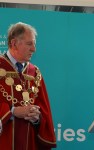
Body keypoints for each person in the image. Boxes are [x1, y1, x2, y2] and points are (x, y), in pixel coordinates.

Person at [0, 22, 56, 150]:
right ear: (14, 44)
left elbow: (44, 113)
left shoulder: (35, 73)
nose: (34, 49)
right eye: (29, 44)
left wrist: (37, 118)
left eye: (34, 44)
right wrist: (13, 111)